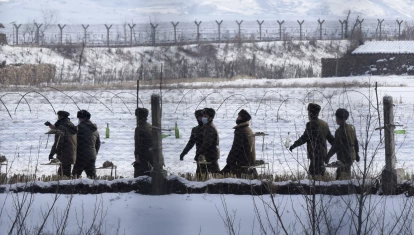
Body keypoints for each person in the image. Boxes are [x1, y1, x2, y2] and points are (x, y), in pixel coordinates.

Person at [289, 103, 335, 177]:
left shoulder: (310, 125)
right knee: (320, 174)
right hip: (323, 154)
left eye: (308, 113)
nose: (308, 115)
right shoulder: (324, 124)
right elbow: (331, 139)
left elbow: (304, 138)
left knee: (313, 174)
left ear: (310, 113)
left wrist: (294, 145)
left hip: (315, 154)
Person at [221, 109, 257, 178]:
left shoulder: (240, 131)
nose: (237, 118)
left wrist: (229, 160)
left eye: (239, 117)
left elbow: (236, 147)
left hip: (240, 163)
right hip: (249, 162)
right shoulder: (249, 130)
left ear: (243, 118)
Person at [325, 108, 360, 180]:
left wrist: (328, 156)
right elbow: (355, 141)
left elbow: (335, 146)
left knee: (343, 175)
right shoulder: (351, 127)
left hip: (344, 157)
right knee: (342, 172)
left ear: (340, 119)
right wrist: (357, 153)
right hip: (351, 155)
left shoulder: (339, 131)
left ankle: (345, 188)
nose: (336, 119)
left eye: (337, 118)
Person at [47, 110, 77, 177]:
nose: (57, 117)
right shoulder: (71, 125)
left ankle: (67, 186)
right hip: (72, 152)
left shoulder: (61, 127)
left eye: (58, 116)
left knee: (63, 174)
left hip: (64, 153)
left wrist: (52, 153)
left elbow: (58, 142)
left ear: (60, 117)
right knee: (65, 171)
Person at [72, 110, 101, 179]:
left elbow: (73, 141)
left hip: (80, 155)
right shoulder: (95, 129)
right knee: (92, 176)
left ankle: (75, 189)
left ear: (83, 118)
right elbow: (98, 143)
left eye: (79, 118)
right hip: (91, 155)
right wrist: (94, 152)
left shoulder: (78, 128)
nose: (79, 120)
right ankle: (94, 188)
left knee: (75, 176)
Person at [196, 108, 220, 174]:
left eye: (205, 116)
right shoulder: (207, 126)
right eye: (203, 116)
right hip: (210, 155)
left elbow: (206, 143)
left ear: (210, 117)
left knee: (212, 175)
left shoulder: (209, 128)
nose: (203, 118)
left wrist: (199, 153)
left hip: (209, 156)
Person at [134, 108, 153, 177]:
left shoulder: (139, 129)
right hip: (152, 157)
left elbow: (138, 145)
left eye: (137, 117)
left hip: (143, 159)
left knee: (140, 180)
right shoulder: (150, 126)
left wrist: (137, 157)